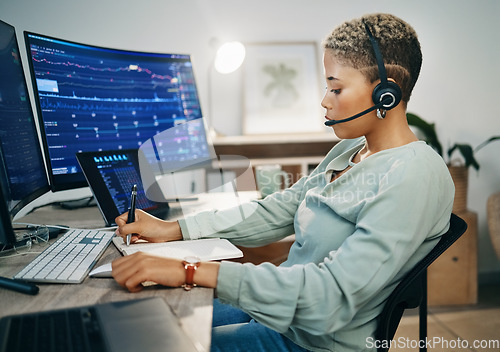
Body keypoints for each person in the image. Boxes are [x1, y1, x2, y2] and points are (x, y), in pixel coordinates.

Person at [112, 13, 455, 352]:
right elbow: (277, 210)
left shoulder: (414, 174)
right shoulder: (351, 149)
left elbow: (330, 297)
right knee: (138, 319)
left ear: (386, 94)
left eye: (336, 88)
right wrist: (175, 229)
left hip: (313, 340)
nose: (324, 100)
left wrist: (191, 271)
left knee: (153, 341)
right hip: (282, 311)